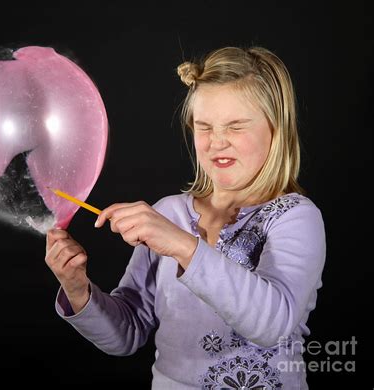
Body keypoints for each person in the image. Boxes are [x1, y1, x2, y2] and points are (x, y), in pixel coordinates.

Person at [45, 46, 326, 389]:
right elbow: (127, 332)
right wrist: (77, 289)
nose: (217, 142)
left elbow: (272, 324)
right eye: (204, 127)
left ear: (276, 129)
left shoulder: (295, 217)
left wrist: (182, 245)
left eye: (236, 126)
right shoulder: (169, 213)